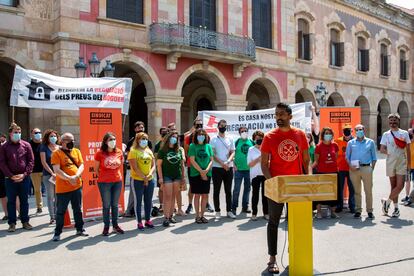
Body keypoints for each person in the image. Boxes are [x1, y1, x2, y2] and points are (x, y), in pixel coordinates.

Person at [261, 103, 309, 274]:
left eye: (282, 114)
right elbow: (264, 164)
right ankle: (272, 259)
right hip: (277, 186)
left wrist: (306, 180)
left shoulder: (300, 135)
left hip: (296, 186)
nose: (278, 117)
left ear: (290, 116)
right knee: (273, 222)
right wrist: (273, 183)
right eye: (276, 114)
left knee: (294, 223)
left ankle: (293, 254)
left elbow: (305, 159)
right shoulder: (269, 137)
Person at [51, 132, 88, 241]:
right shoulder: (56, 153)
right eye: (68, 140)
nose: (72, 142)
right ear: (62, 141)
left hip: (76, 186)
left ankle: (80, 229)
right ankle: (57, 232)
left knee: (77, 209)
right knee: (60, 211)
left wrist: (76, 176)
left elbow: (81, 165)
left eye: (72, 140)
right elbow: (57, 170)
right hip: (63, 189)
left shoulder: (77, 151)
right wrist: (69, 178)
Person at [0, 124, 34, 232]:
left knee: (24, 200)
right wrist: (11, 175)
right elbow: (2, 163)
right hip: (10, 178)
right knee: (11, 201)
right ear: (10, 134)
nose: (17, 134)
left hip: (24, 177)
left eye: (19, 132)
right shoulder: (4, 147)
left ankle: (25, 221)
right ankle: (12, 223)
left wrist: (24, 174)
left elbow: (31, 161)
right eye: (15, 132)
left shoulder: (26, 145)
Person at [380, 114, 411, 218]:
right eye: (391, 121)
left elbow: (408, 150)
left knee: (400, 185)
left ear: (398, 121)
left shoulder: (404, 133)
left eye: (394, 121)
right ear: (388, 122)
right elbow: (382, 149)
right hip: (390, 162)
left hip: (402, 162)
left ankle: (387, 202)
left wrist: (409, 165)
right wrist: (391, 152)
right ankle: (396, 209)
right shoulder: (386, 134)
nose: (392, 123)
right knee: (393, 186)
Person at [94, 132, 124, 236]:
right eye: (110, 140)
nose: (113, 142)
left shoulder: (119, 152)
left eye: (114, 139)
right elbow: (96, 169)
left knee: (115, 205)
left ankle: (115, 225)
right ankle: (106, 226)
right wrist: (104, 177)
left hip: (117, 181)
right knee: (106, 205)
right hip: (104, 183)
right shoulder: (100, 153)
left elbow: (120, 165)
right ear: (105, 142)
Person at [346, 124, 377, 219]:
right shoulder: (351, 143)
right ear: (355, 131)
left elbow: (374, 157)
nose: (359, 131)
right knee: (357, 191)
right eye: (357, 130)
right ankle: (358, 210)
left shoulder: (370, 142)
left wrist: (372, 169)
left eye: (361, 129)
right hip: (354, 169)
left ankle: (370, 211)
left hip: (366, 168)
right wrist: (351, 166)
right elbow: (347, 157)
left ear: (364, 130)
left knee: (368, 191)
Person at [184, 119, 214, 214]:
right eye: (197, 124)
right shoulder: (189, 137)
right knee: (193, 188)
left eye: (201, 124)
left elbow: (210, 157)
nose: (199, 126)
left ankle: (206, 204)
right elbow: (186, 151)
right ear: (194, 125)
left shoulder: (207, 137)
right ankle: (190, 205)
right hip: (193, 166)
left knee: (205, 190)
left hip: (206, 169)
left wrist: (205, 170)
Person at [157, 131, 185, 226]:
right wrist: (160, 178)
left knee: (173, 196)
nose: (174, 139)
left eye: (176, 137)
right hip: (167, 176)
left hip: (177, 176)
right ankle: (166, 217)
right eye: (172, 137)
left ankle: (170, 216)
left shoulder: (179, 150)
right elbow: (159, 165)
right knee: (167, 196)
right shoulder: (163, 150)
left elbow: (181, 165)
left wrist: (183, 178)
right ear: (168, 138)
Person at [128, 132, 155, 230]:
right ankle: (139, 222)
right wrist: (144, 178)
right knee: (138, 201)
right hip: (137, 180)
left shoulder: (149, 151)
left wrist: (149, 175)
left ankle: (148, 220)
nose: (144, 141)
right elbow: (135, 168)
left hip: (150, 180)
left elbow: (153, 165)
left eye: (146, 139)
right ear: (138, 140)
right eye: (142, 139)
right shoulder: (133, 151)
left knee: (148, 201)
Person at [125, 121, 152, 217]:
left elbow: (151, 157)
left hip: (147, 173)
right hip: (136, 173)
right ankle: (129, 211)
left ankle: (146, 212)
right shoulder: (131, 141)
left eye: (142, 127)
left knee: (147, 194)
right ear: (135, 129)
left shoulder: (148, 141)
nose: (141, 129)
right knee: (134, 194)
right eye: (139, 127)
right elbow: (128, 155)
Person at [210, 120, 236, 219]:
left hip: (228, 167)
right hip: (217, 168)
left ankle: (229, 211)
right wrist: (222, 163)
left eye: (225, 126)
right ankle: (217, 211)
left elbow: (233, 152)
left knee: (228, 191)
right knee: (216, 190)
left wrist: (228, 161)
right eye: (221, 126)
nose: (223, 127)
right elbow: (213, 153)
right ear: (218, 126)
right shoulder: (213, 139)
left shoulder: (230, 138)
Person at [312, 127, 339, 219]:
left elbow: (335, 158)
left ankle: (333, 212)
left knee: (333, 193)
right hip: (321, 172)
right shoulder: (318, 146)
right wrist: (309, 170)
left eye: (329, 133)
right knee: (320, 193)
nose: (328, 135)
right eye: (326, 133)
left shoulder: (335, 145)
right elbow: (316, 161)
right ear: (323, 135)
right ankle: (318, 212)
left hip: (333, 172)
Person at [232, 126, 254, 215]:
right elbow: (230, 154)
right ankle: (233, 207)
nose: (244, 132)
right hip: (238, 170)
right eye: (242, 131)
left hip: (249, 170)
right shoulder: (236, 142)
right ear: (239, 133)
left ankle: (245, 206)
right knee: (236, 189)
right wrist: (234, 165)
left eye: (245, 131)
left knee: (247, 189)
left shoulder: (252, 142)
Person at [334, 123, 355, 213]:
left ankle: (352, 206)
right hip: (340, 168)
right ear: (343, 131)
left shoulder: (355, 141)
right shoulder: (337, 141)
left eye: (348, 130)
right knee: (340, 188)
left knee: (352, 188)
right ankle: (340, 206)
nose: (347, 132)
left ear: (351, 131)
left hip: (351, 168)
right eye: (345, 130)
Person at [40, 129, 60, 224]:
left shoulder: (59, 147)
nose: (53, 138)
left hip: (59, 175)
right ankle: (52, 217)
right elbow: (43, 162)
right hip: (48, 175)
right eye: (51, 136)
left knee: (58, 196)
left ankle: (57, 215)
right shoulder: (43, 147)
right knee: (50, 196)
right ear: (47, 138)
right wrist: (52, 172)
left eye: (54, 136)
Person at [247, 130, 268, 221]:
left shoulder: (266, 149)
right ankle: (254, 213)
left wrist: (265, 160)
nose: (259, 140)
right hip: (255, 175)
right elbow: (250, 164)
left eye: (261, 138)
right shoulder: (251, 149)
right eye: (257, 138)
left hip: (265, 174)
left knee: (265, 195)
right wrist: (258, 159)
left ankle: (266, 213)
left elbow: (270, 162)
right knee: (255, 194)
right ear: (254, 139)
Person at [154, 127, 169, 212]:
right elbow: (156, 159)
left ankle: (171, 205)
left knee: (170, 188)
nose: (164, 135)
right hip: (161, 169)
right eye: (163, 133)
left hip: (170, 169)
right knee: (161, 188)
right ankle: (162, 205)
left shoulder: (171, 144)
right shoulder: (157, 145)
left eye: (166, 133)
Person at [29, 128, 44, 214]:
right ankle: (39, 206)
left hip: (46, 170)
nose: (38, 134)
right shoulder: (29, 144)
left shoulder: (44, 143)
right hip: (35, 171)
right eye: (36, 133)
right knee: (37, 190)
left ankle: (54, 205)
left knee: (52, 189)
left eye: (39, 132)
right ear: (32, 134)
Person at [402, 128, 413, 205]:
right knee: (407, 182)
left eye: (410, 134)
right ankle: (407, 196)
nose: (409, 136)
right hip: (407, 166)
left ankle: (411, 198)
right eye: (408, 134)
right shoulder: (406, 143)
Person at [0, 133, 7, 220]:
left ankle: (20, 213)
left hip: (7, 174)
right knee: (3, 195)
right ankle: (7, 214)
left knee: (13, 195)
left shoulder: (5, 148)